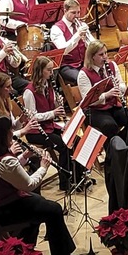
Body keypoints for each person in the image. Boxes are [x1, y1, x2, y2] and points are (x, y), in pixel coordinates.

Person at [0, 115, 79, 255]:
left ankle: (25, 251)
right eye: (9, 131)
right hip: (2, 209)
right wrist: (43, 167)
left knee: (41, 206)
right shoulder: (5, 161)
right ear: (3, 135)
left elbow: (6, 173)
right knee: (53, 210)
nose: (12, 134)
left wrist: (24, 156)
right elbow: (29, 185)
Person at [24, 56, 84, 190]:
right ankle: (66, 183)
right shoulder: (29, 91)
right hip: (35, 131)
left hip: (49, 127)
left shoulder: (48, 85)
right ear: (40, 71)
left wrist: (57, 102)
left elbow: (51, 106)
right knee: (64, 146)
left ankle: (78, 176)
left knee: (75, 139)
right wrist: (53, 113)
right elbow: (32, 116)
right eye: (49, 70)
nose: (52, 74)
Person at [77, 41, 128, 141]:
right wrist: (106, 95)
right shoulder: (83, 74)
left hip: (113, 105)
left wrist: (119, 87)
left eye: (105, 53)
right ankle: (112, 152)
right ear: (92, 57)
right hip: (95, 110)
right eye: (101, 54)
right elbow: (89, 100)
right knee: (109, 125)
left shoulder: (112, 65)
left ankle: (124, 146)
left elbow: (123, 86)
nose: (105, 57)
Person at [50, 0, 95, 84]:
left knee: (101, 74)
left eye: (78, 12)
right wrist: (78, 35)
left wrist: (88, 42)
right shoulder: (56, 28)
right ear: (65, 11)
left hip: (84, 62)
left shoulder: (82, 25)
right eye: (73, 13)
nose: (77, 16)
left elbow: (93, 44)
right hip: (67, 66)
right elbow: (63, 50)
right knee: (83, 80)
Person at [0, 72, 38, 139]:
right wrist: (24, 130)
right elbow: (1, 136)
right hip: (3, 145)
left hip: (11, 141)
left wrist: (21, 120)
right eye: (8, 87)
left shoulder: (5, 102)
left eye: (11, 85)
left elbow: (13, 127)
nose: (12, 89)